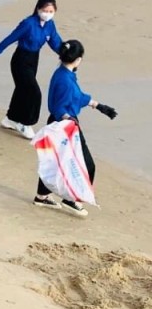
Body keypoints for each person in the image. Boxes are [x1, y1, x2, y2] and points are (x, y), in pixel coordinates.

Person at [33, 39, 117, 216]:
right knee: (88, 165)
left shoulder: (64, 74)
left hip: (59, 124)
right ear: (78, 59)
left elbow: (77, 96)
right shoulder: (65, 80)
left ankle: (41, 197)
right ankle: (72, 200)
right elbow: (58, 107)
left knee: (53, 162)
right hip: (65, 126)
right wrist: (68, 119)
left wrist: (98, 105)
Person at [0, 0, 63, 140]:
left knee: (21, 89)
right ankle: (25, 123)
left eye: (51, 11)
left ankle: (10, 119)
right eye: (45, 10)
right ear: (38, 9)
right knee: (33, 92)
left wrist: (66, 54)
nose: (48, 14)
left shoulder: (50, 25)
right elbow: (11, 37)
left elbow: (55, 42)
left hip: (34, 60)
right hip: (20, 60)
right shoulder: (28, 23)